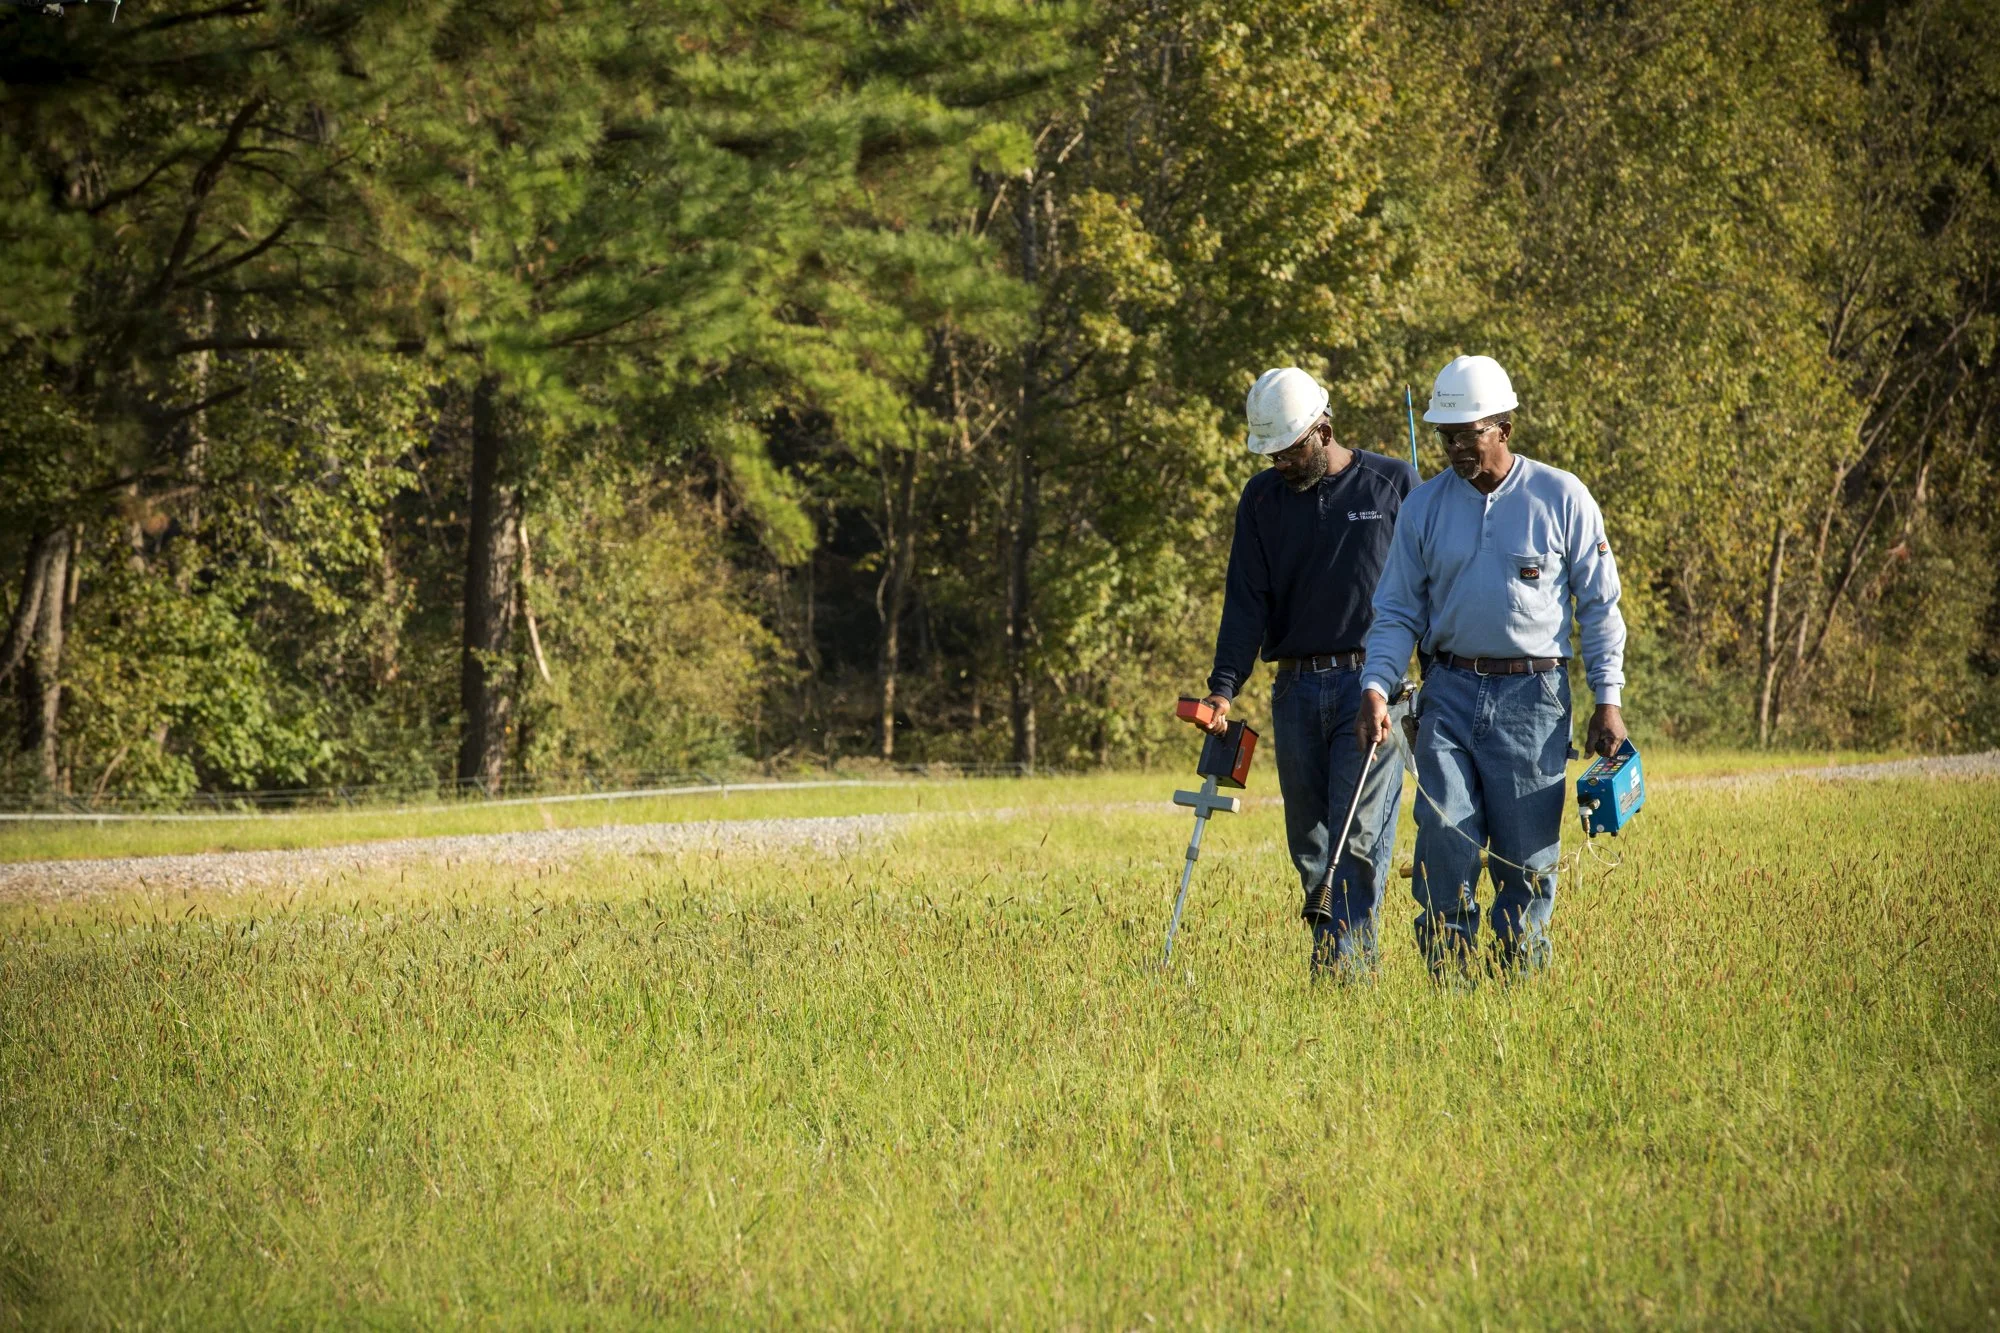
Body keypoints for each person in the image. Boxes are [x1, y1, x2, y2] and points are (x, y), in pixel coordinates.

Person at [1356, 354, 1627, 981]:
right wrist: (1375, 686)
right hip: (1447, 693)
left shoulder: (1561, 495)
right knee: (1444, 836)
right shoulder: (1422, 508)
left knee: (1525, 858)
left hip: (1536, 699)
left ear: (1502, 426)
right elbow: (1396, 610)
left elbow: (1601, 607)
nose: (1453, 447)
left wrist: (1607, 700)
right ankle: (1448, 981)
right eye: (1444, 436)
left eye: (1467, 433)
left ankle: (1516, 985)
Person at [1200, 367, 1418, 980]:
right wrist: (1223, 687)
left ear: (1324, 428)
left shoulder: (1394, 483)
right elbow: (1245, 603)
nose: (1281, 465)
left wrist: (1435, 681)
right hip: (1295, 689)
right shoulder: (1262, 500)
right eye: (1271, 454)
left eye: (1291, 450)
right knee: (1312, 844)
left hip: (1370, 687)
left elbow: (1428, 593)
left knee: (1358, 836)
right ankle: (1337, 961)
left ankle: (1345, 977)